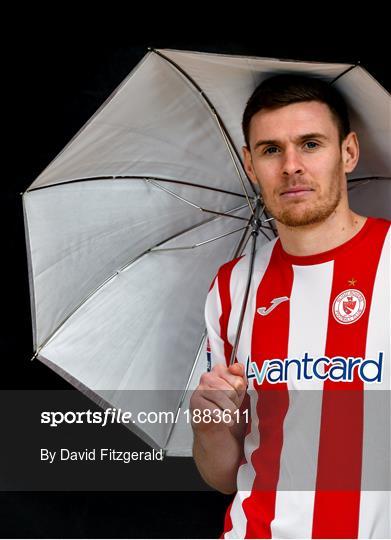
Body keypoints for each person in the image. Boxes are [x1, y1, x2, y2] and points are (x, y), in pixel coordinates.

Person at [190, 74, 390, 539]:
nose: (291, 166)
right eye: (271, 149)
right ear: (250, 163)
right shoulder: (232, 287)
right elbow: (222, 475)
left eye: (311, 144)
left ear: (349, 152)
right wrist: (210, 428)